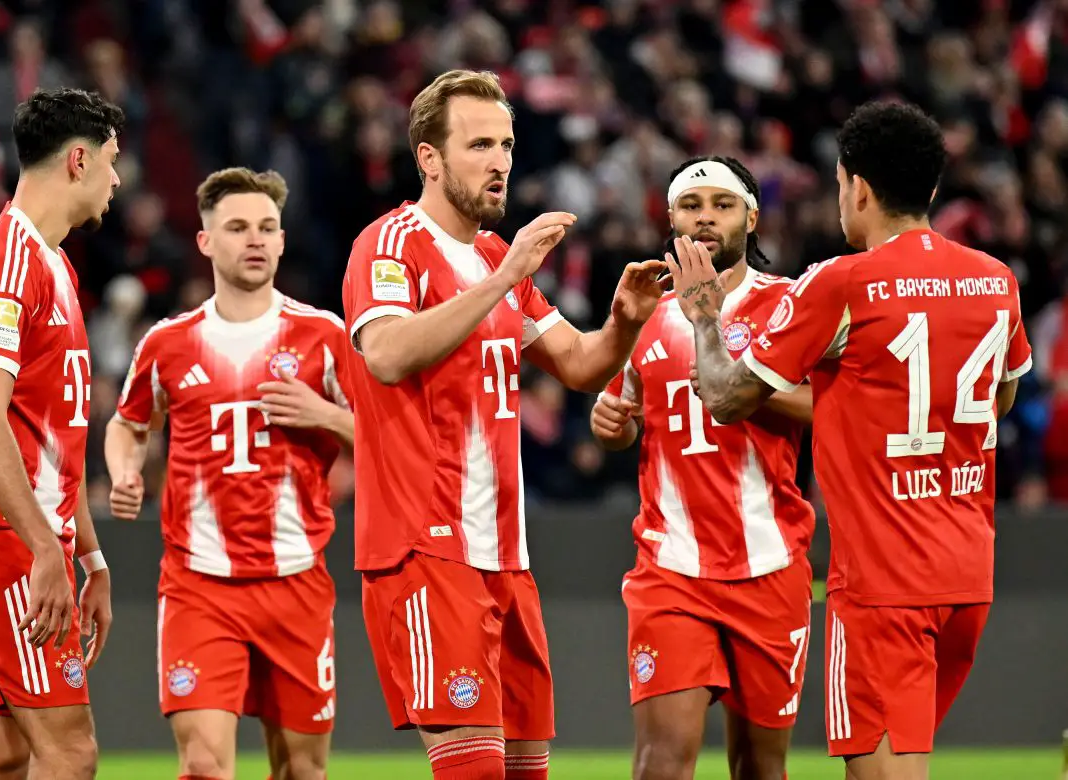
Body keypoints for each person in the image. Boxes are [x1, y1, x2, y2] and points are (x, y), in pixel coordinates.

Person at [667, 101, 1033, 780]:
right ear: (929, 189)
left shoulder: (844, 281)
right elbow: (1000, 395)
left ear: (856, 186)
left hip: (884, 583)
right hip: (968, 575)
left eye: (839, 185)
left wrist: (704, 319)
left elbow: (723, 395)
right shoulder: (995, 279)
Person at [341, 69, 667, 780]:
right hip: (426, 547)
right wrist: (503, 276)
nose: (500, 162)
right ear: (429, 158)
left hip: (505, 556)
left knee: (525, 774)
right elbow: (388, 354)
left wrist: (623, 323)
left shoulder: (495, 256)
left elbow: (579, 364)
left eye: (508, 145)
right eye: (480, 144)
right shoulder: (390, 245)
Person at [105, 167, 352, 780]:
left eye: (268, 227)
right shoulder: (168, 343)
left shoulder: (325, 336)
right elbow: (127, 424)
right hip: (199, 584)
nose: (256, 240)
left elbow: (392, 437)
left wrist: (324, 414)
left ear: (283, 240)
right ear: (206, 241)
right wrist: (125, 470)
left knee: (302, 770)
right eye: (238, 227)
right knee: (204, 765)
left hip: (295, 579)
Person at [590, 156, 815, 780]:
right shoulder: (644, 310)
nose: (707, 219)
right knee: (662, 763)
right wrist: (611, 427)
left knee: (760, 769)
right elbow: (618, 410)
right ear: (671, 219)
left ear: (752, 215)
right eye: (693, 206)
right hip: (671, 569)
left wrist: (749, 388)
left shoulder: (789, 304)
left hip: (770, 565)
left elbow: (831, 407)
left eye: (721, 205)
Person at [0, 87, 122, 780]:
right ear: (78, 160)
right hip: (1, 535)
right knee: (70, 753)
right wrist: (46, 548)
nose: (117, 179)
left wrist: (90, 558)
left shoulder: (53, 265)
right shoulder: (2, 262)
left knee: (0, 753)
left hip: (11, 531)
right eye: (110, 160)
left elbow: (48, 444)